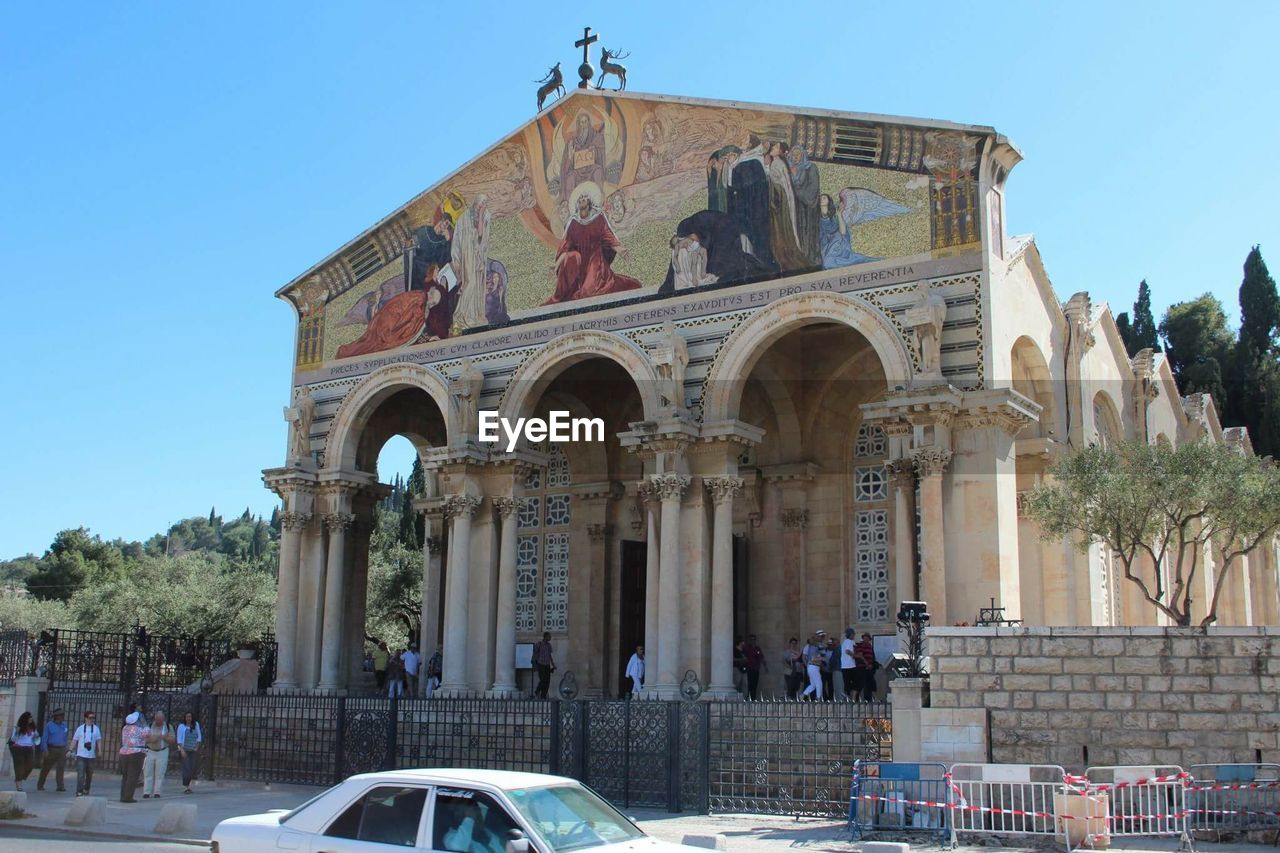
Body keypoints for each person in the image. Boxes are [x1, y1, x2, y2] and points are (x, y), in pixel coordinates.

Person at [543, 193, 642, 304]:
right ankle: (570, 289)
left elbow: (608, 237)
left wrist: (621, 250)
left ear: (589, 202)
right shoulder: (574, 223)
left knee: (588, 292)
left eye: (584, 198)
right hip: (579, 264)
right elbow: (566, 247)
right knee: (572, 256)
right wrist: (556, 266)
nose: (582, 199)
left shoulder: (598, 218)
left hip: (595, 260)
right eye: (580, 198)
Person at [142, 710, 174, 799]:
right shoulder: (149, 726)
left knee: (160, 773)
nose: (158, 722)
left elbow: (172, 740)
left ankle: (157, 792)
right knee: (148, 772)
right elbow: (144, 739)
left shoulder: (168, 727)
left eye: (160, 720)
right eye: (157, 719)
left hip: (162, 751)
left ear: (163, 719)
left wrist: (165, 738)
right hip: (150, 751)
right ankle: (146, 792)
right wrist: (154, 738)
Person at [70, 710, 102, 797]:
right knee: (81, 774)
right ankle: (79, 790)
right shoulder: (80, 729)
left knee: (89, 775)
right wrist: (70, 750)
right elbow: (75, 740)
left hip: (91, 756)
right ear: (85, 718)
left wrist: (99, 750)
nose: (92, 720)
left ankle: (86, 789)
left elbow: (98, 740)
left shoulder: (96, 729)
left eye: (93, 718)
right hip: (81, 755)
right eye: (90, 718)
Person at [37, 707, 69, 792]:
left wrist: (66, 748)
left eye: (63, 715)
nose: (62, 717)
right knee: (46, 768)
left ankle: (60, 786)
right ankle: (40, 784)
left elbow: (65, 737)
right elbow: (44, 738)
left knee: (61, 767)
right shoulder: (49, 725)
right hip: (51, 749)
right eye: (61, 715)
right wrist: (45, 749)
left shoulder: (64, 725)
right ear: (56, 716)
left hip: (61, 749)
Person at [118, 711, 146, 803]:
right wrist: (144, 724)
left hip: (124, 752)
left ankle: (123, 795)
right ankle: (128, 797)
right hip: (136, 753)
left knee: (125, 776)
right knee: (133, 776)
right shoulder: (138, 729)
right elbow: (148, 734)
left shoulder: (125, 728)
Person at [8, 711, 38, 791]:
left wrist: (36, 737)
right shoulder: (18, 728)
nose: (31, 719)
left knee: (30, 765)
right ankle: (19, 783)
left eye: (31, 717)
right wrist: (17, 732)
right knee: (19, 767)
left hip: (29, 748)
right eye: (29, 717)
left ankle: (20, 777)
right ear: (25, 719)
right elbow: (13, 739)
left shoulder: (33, 728)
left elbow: (35, 739)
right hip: (18, 748)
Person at [176, 711, 202, 794]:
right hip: (185, 750)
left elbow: (199, 737)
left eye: (190, 716)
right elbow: (179, 739)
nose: (188, 718)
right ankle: (186, 786)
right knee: (186, 768)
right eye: (187, 717)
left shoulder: (196, 724)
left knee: (192, 768)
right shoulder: (181, 726)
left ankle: (189, 785)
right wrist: (182, 750)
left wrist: (197, 747)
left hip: (193, 750)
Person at [801, 631, 826, 701]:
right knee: (819, 683)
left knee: (813, 684)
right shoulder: (815, 646)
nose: (823, 638)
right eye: (821, 636)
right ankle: (819, 698)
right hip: (814, 666)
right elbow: (813, 658)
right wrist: (823, 658)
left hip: (813, 667)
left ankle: (803, 695)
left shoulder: (814, 646)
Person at [743, 634, 767, 700]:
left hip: (756, 669)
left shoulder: (757, 648)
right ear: (749, 640)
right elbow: (743, 656)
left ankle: (753, 698)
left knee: (755, 684)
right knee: (749, 684)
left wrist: (765, 666)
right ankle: (748, 697)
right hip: (749, 668)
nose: (753, 641)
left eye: (754, 639)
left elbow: (761, 657)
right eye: (751, 639)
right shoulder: (746, 648)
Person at [533, 632, 556, 699]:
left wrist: (553, 664)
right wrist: (535, 664)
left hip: (547, 665)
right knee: (543, 680)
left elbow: (549, 655)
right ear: (545, 637)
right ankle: (537, 691)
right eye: (549, 636)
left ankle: (543, 695)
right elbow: (535, 654)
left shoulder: (549, 645)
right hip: (541, 664)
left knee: (547, 681)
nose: (550, 638)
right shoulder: (539, 644)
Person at [856, 632, 878, 702]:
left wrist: (872, 665)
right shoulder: (860, 645)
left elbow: (872, 657)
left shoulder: (870, 646)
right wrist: (867, 664)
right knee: (860, 684)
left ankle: (871, 699)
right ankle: (855, 699)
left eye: (867, 638)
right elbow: (860, 656)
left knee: (871, 683)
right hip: (862, 667)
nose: (866, 639)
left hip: (869, 668)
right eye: (865, 638)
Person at [840, 627, 859, 700]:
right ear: (850, 635)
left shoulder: (844, 642)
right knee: (856, 682)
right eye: (853, 634)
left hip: (844, 666)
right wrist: (856, 656)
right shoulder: (849, 641)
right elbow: (847, 651)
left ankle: (848, 695)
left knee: (847, 682)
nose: (854, 636)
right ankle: (853, 698)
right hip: (850, 665)